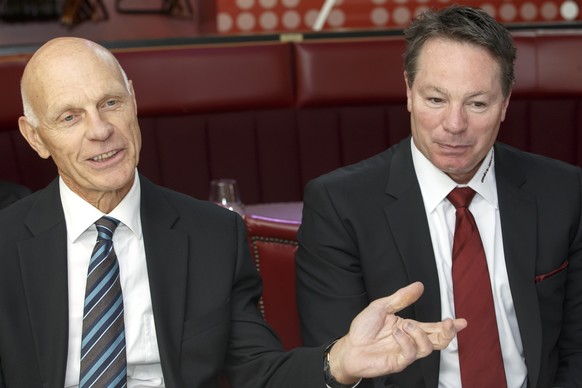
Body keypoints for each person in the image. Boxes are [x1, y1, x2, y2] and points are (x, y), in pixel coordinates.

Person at [0, 37, 466, 387]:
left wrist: (337, 362)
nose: (100, 130)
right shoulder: (5, 244)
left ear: (134, 103)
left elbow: (256, 373)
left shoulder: (212, 236)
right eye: (69, 117)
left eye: (110, 103)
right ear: (35, 137)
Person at [295, 5, 582, 388]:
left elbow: (577, 349)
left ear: (505, 103)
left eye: (477, 103)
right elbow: (333, 366)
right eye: (436, 100)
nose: (455, 124)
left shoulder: (563, 191)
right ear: (409, 93)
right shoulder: (338, 205)